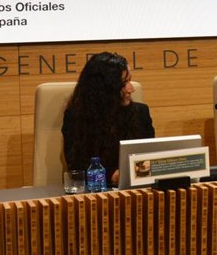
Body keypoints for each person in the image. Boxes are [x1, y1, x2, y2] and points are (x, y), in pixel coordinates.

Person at [61, 51, 154, 187]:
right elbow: (77, 166)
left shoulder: (141, 113)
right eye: (124, 83)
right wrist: (112, 176)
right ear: (104, 88)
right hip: (96, 190)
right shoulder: (76, 117)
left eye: (130, 81)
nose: (131, 89)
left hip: (137, 188)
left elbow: (149, 156)